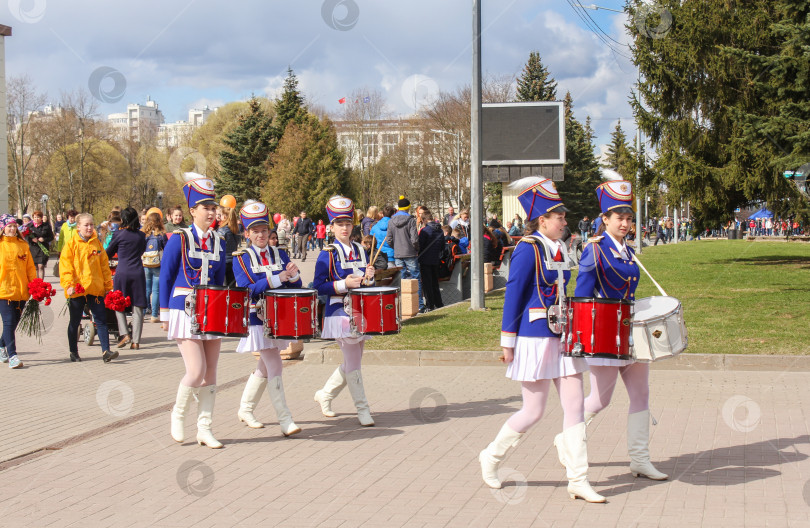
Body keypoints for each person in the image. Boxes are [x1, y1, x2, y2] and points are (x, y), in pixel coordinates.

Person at [478, 177, 603, 502]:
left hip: (564, 336)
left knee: (574, 404)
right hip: (534, 338)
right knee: (533, 411)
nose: (564, 221)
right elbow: (514, 296)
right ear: (542, 221)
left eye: (563, 217)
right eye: (559, 217)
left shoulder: (560, 248)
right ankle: (491, 457)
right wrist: (508, 343)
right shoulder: (527, 249)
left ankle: (578, 479)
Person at [575, 180, 668, 481]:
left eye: (629, 218)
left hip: (633, 333)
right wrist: (582, 336)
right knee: (601, 400)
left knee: (642, 394)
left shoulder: (628, 251)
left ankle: (640, 460)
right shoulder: (595, 250)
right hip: (605, 334)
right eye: (620, 218)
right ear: (605, 219)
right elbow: (582, 295)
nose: (626, 223)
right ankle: (568, 438)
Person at [161, 173, 228, 449]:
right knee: (196, 369)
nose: (211, 212)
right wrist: (164, 313)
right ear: (192, 211)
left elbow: (221, 278)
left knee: (211, 372)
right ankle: (178, 415)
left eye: (214, 207)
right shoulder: (179, 238)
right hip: (183, 309)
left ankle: (205, 428)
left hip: (211, 310)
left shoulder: (219, 241)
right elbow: (166, 275)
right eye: (206, 208)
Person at [233, 201, 302, 436]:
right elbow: (246, 288)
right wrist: (278, 277)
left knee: (264, 366)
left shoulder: (280, 253)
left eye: (264, 230)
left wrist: (292, 275)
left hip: (279, 316)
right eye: (255, 231)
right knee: (275, 363)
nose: (261, 235)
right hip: (256, 316)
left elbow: (297, 283)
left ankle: (245, 408)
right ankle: (285, 419)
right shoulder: (241, 257)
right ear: (247, 233)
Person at [312, 195, 377, 426]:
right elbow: (318, 286)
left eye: (348, 223)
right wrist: (343, 284)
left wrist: (369, 278)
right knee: (354, 362)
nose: (345, 228)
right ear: (331, 227)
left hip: (361, 311)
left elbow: (365, 284)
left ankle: (325, 395)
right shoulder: (327, 253)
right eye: (339, 224)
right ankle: (363, 410)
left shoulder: (360, 249)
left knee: (354, 361)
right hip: (338, 312)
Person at [60, 213, 114, 363]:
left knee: (101, 319)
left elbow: (104, 266)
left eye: (91, 224)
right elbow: (66, 267)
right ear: (78, 227)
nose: (89, 227)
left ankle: (106, 351)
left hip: (95, 288)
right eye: (86, 225)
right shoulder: (71, 244)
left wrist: (107, 285)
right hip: (77, 289)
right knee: (75, 321)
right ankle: (73, 351)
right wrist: (69, 285)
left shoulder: (97, 244)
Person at [105, 207, 147, 351]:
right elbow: (142, 251)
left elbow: (108, 253)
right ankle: (136, 341)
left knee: (118, 304)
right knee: (138, 306)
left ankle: (124, 333)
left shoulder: (119, 234)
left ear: (123, 219)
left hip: (122, 271)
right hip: (138, 272)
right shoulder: (142, 236)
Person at [0, 214, 36, 369]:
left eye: (14, 226)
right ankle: (13, 355)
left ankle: (1, 346)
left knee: (13, 322)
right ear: (3, 228)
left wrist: (34, 286)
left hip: (21, 292)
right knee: (8, 322)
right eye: (9, 226)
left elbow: (30, 268)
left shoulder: (23, 245)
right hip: (3, 291)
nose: (13, 229)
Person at [386, 196, 423, 312]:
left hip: (398, 254)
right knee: (415, 279)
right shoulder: (411, 220)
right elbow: (415, 239)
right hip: (410, 253)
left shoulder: (391, 221)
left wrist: (396, 247)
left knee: (401, 280)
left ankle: (402, 306)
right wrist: (416, 249)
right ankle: (419, 305)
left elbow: (389, 239)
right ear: (408, 207)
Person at [141, 212, 167, 323]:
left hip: (145, 264)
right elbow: (166, 248)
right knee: (156, 290)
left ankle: (142, 313)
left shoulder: (144, 234)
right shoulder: (161, 234)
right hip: (157, 264)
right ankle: (154, 315)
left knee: (146, 289)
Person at [417, 209, 444, 312]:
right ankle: (439, 303)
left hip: (425, 260)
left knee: (427, 284)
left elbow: (420, 245)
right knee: (435, 283)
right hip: (435, 259)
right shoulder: (440, 230)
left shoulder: (424, 231)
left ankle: (430, 304)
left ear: (424, 220)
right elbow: (442, 246)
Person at [24, 211, 54, 280]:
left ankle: (41, 282)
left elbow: (51, 237)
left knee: (41, 266)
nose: (36, 219)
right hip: (33, 248)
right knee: (35, 267)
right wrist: (31, 239)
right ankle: (36, 283)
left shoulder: (46, 226)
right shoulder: (29, 226)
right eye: (35, 217)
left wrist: (44, 239)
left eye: (38, 217)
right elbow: (25, 237)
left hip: (42, 249)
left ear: (41, 218)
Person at [217, 206, 240, 286]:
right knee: (231, 287)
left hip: (223, 261)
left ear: (225, 216)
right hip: (233, 261)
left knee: (222, 287)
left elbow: (218, 246)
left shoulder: (222, 230)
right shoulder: (236, 230)